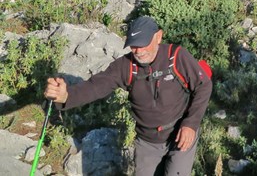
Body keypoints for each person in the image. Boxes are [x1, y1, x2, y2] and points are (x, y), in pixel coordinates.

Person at [44, 16, 212, 176]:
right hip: (147, 142)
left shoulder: (176, 57)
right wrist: (66, 96)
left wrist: (190, 124)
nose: (138, 51)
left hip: (180, 135)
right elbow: (95, 87)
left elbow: (203, 85)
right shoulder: (125, 67)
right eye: (133, 45)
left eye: (143, 44)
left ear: (158, 37)